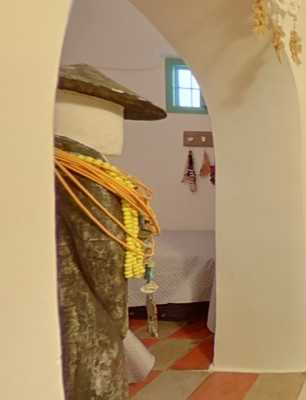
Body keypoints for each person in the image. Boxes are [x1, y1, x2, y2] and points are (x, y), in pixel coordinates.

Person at [54, 64, 165, 399]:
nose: (117, 126)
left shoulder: (66, 168)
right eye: (110, 114)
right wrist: (119, 320)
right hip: (86, 317)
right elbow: (101, 255)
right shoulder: (83, 176)